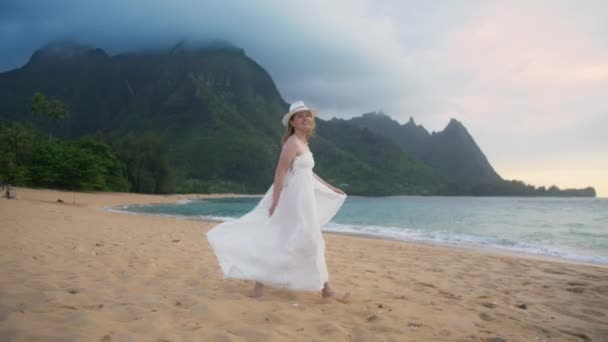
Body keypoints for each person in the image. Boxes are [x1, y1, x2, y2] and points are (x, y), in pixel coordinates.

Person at [207, 101, 349, 302]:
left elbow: (308, 173)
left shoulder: (304, 143)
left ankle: (260, 286)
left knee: (288, 239)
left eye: (308, 115)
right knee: (308, 240)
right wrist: (275, 202)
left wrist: (330, 187)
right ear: (292, 122)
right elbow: (281, 171)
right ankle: (327, 290)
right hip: (293, 199)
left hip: (303, 199)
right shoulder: (292, 143)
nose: (305, 118)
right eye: (300, 116)